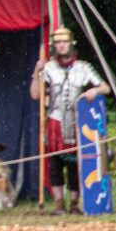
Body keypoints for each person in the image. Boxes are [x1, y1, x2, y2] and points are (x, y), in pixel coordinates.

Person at [30, 28, 108, 215]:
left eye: (64, 42)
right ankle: (59, 204)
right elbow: (35, 94)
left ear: (71, 44)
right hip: (55, 121)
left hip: (76, 122)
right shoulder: (48, 68)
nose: (61, 45)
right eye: (58, 42)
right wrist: (36, 72)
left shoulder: (83, 67)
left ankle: (74, 204)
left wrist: (94, 91)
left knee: (74, 164)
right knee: (55, 164)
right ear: (54, 46)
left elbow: (105, 87)